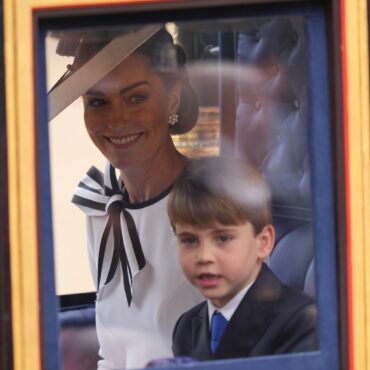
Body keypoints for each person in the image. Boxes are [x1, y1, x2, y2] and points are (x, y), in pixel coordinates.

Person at [52, 26, 204, 370]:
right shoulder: (99, 207)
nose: (116, 119)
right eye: (97, 101)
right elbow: (112, 354)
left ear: (173, 100)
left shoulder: (214, 201)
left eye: (136, 98)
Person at [167, 156, 317, 360]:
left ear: (263, 242)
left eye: (223, 238)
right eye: (190, 240)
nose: (204, 257)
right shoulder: (186, 326)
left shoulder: (303, 322)